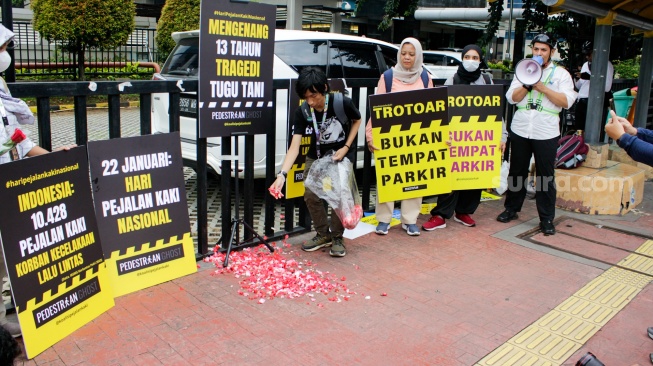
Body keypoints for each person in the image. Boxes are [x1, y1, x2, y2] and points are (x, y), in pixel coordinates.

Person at [0, 24, 75, 337]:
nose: (5, 56)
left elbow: (17, 138)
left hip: (7, 183)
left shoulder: (1, 87)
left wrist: (51, 155)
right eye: (2, 49)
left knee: (5, 254)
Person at [269, 67, 361, 257]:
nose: (311, 101)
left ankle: (337, 237)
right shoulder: (303, 111)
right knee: (310, 194)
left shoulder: (341, 102)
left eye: (314, 96)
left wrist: (346, 147)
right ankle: (322, 233)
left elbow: (357, 120)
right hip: (317, 156)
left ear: (324, 88)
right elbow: (294, 146)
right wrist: (282, 175)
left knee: (338, 194)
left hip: (340, 155)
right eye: (306, 97)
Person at [496, 33, 577, 235]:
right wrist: (526, 84)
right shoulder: (523, 70)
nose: (539, 53)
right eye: (536, 49)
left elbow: (566, 101)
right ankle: (511, 208)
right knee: (517, 171)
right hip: (522, 128)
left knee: (545, 175)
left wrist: (542, 88)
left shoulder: (561, 74)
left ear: (551, 52)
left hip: (546, 130)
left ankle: (547, 218)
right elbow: (512, 98)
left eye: (544, 50)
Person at [422, 44, 507, 231]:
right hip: (456, 139)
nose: (471, 61)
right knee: (451, 177)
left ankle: (464, 212)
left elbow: (496, 111)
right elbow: (442, 109)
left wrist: (502, 135)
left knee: (475, 175)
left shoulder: (486, 80)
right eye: (467, 56)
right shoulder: (453, 79)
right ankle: (441, 215)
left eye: (475, 58)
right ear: (462, 58)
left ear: (480, 60)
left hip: (479, 138)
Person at [365, 37, 433, 236]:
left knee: (414, 177)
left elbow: (433, 110)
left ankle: (409, 219)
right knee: (388, 177)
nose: (407, 57)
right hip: (390, 137)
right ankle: (384, 219)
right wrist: (371, 136)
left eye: (412, 54)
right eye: (404, 53)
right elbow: (376, 109)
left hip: (417, 138)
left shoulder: (426, 78)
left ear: (418, 55)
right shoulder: (387, 77)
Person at [574, 41, 614, 135]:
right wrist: (576, 78)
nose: (587, 57)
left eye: (589, 54)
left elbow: (607, 87)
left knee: (592, 130)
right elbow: (580, 86)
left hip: (594, 101)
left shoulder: (606, 65)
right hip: (582, 99)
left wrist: (591, 77)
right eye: (585, 55)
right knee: (579, 129)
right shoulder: (585, 65)